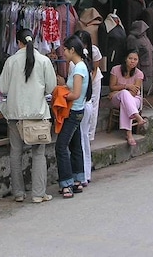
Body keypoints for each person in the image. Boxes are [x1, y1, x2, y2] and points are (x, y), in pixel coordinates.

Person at [0, 29, 57, 204]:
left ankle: (18, 193)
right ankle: (38, 194)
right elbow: (51, 87)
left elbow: (2, 88)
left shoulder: (11, 61)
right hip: (37, 115)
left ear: (18, 43)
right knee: (38, 154)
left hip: (15, 115)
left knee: (15, 153)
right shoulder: (44, 61)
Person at [55, 34, 91, 199]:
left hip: (73, 111)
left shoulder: (78, 69)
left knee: (61, 146)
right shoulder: (81, 66)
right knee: (75, 145)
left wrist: (59, 94)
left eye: (65, 50)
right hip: (78, 110)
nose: (63, 52)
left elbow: (75, 94)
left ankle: (66, 184)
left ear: (72, 50)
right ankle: (78, 179)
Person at [73, 30, 103, 187]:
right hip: (84, 97)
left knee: (82, 137)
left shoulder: (80, 64)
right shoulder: (77, 63)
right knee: (82, 137)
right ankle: (84, 173)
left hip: (86, 96)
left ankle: (82, 174)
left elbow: (95, 70)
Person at [109, 49, 149, 146]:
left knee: (125, 100)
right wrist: (127, 87)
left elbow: (134, 93)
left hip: (134, 99)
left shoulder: (139, 73)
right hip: (117, 99)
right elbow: (111, 87)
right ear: (125, 59)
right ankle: (137, 117)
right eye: (130, 58)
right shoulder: (115, 69)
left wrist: (120, 91)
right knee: (124, 94)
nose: (132, 61)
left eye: (135, 59)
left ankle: (129, 134)